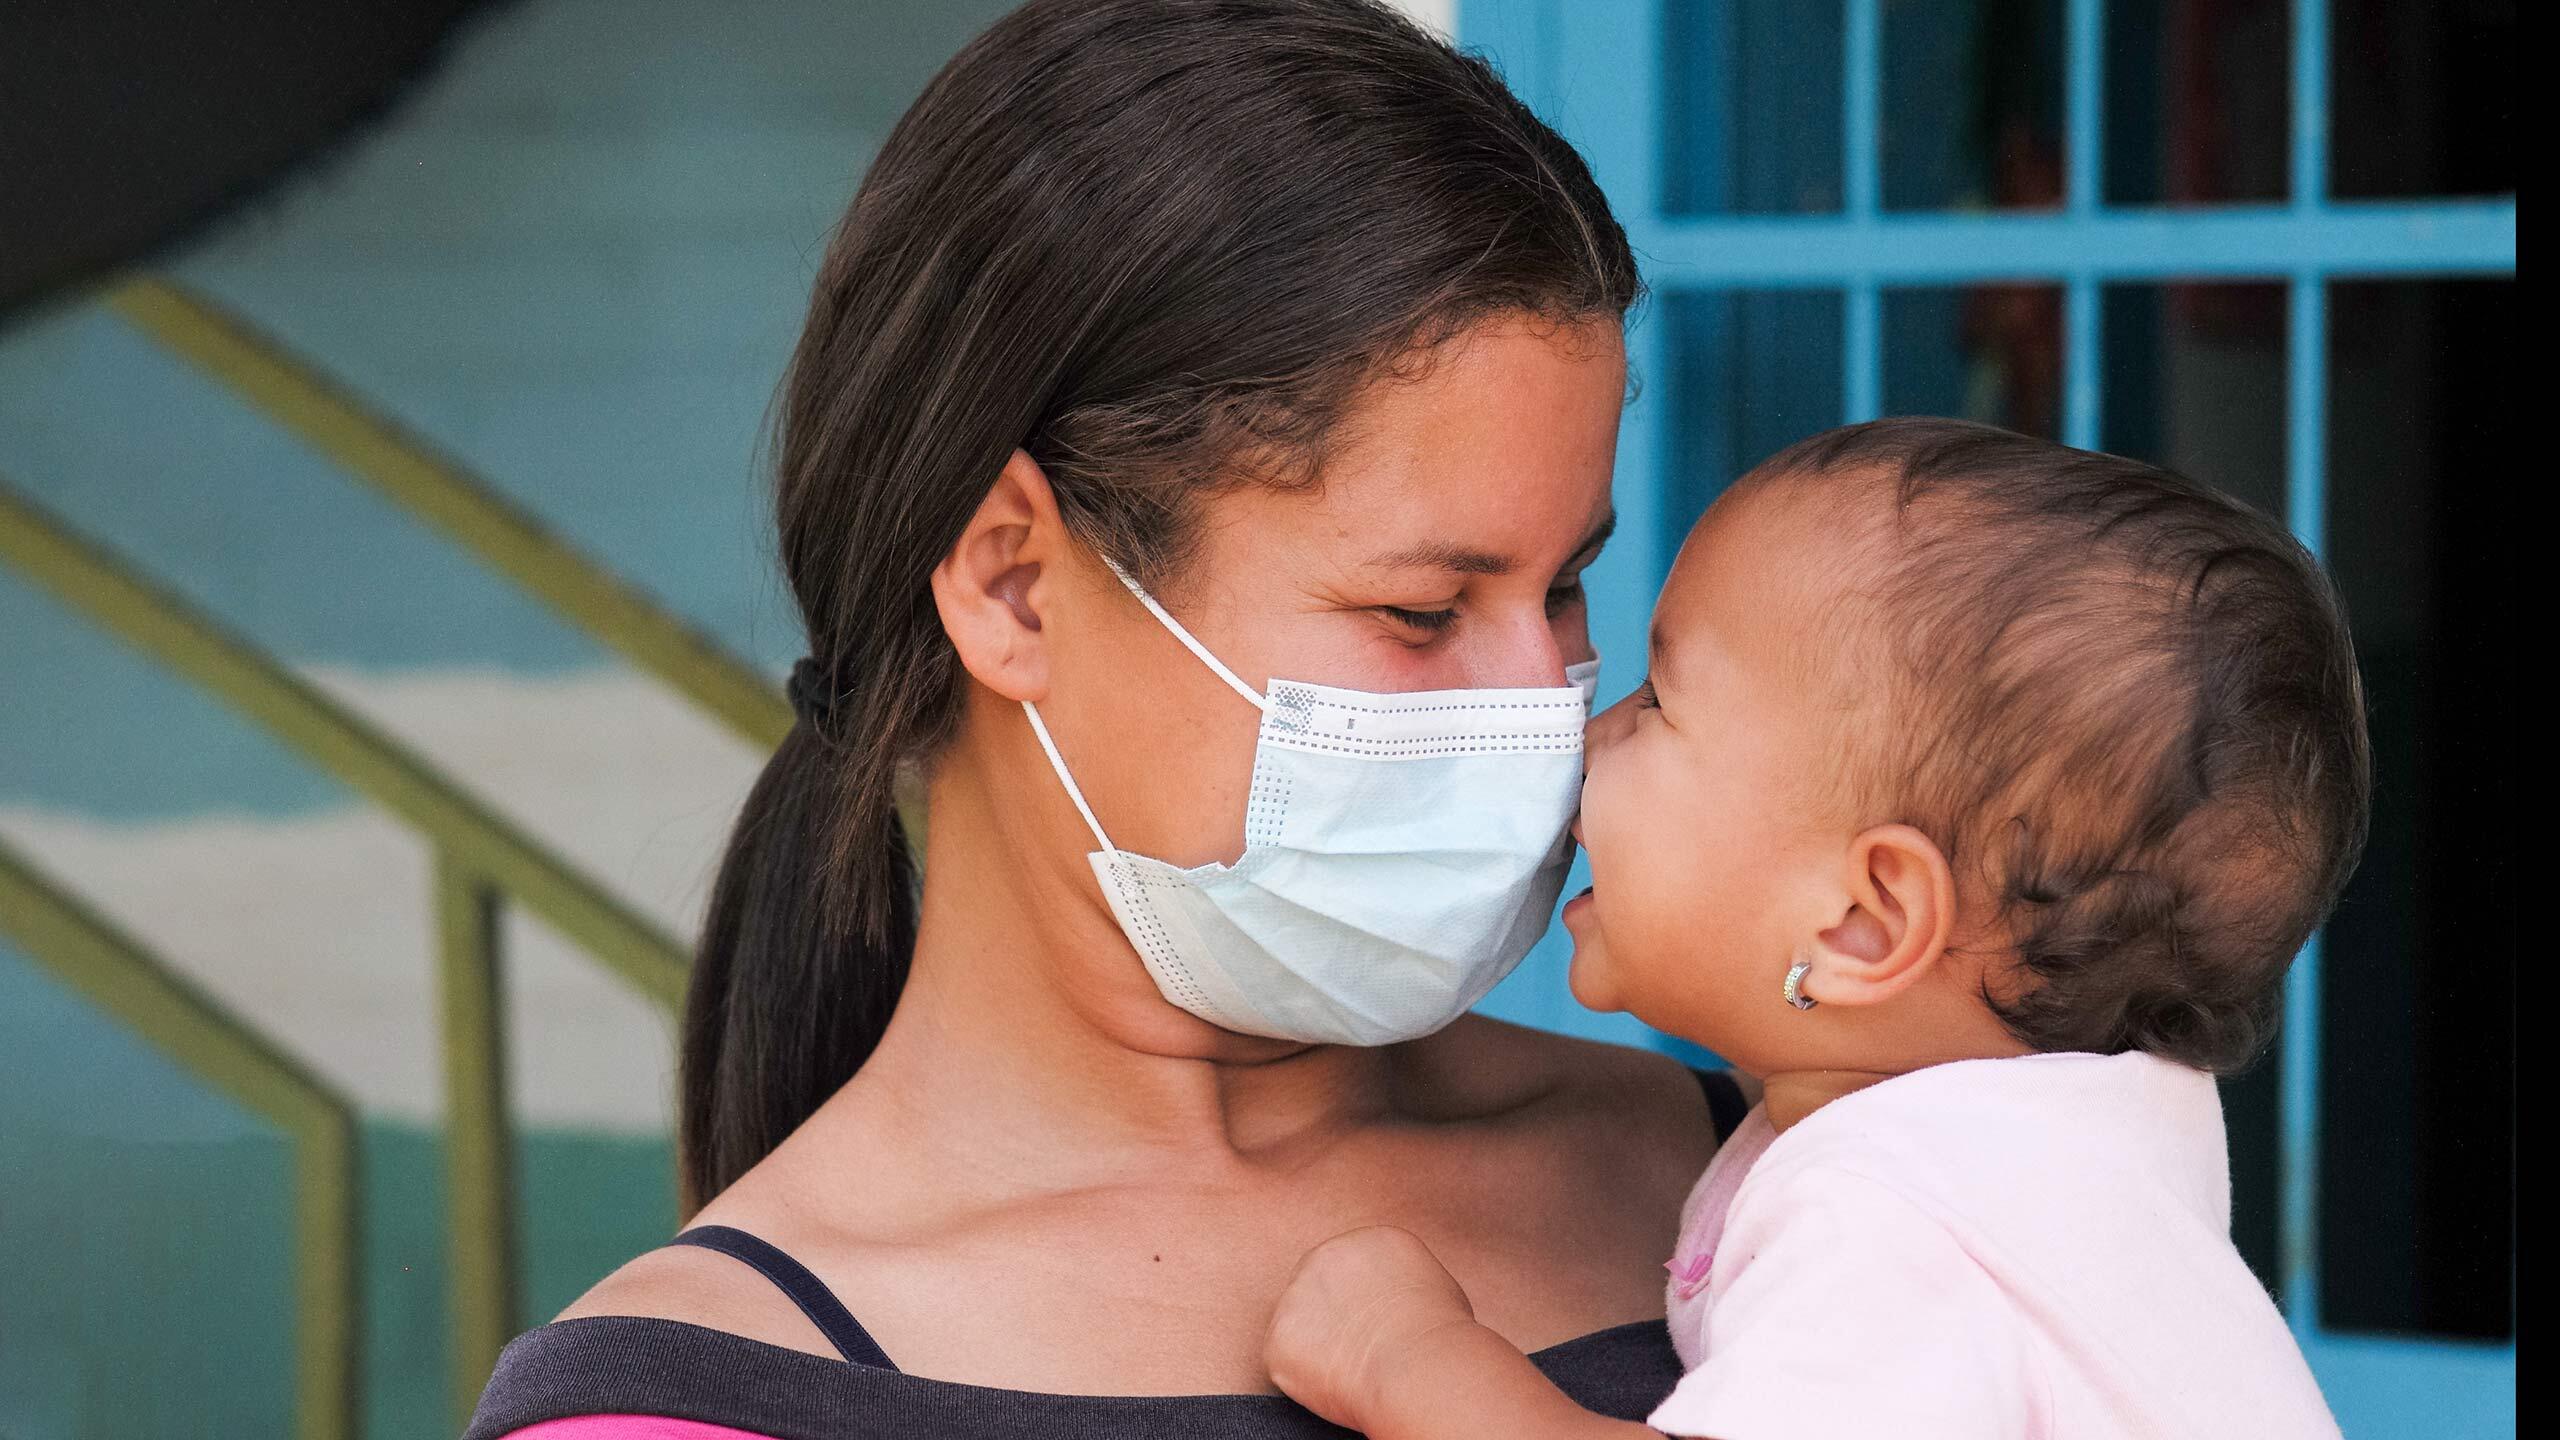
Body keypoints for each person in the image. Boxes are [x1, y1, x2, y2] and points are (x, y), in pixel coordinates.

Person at [464, 2, 1751, 1436]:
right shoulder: (697, 1398)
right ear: (1013, 583)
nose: (1544, 714)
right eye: (1421, 612)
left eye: (1565, 586)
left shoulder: (1775, 1187)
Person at [1261, 418, 2366, 1440]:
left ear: (1863, 924)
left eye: (1658, 705)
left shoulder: (1897, 1223)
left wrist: (1408, 1359)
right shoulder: (2079, 1152)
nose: (1586, 733)